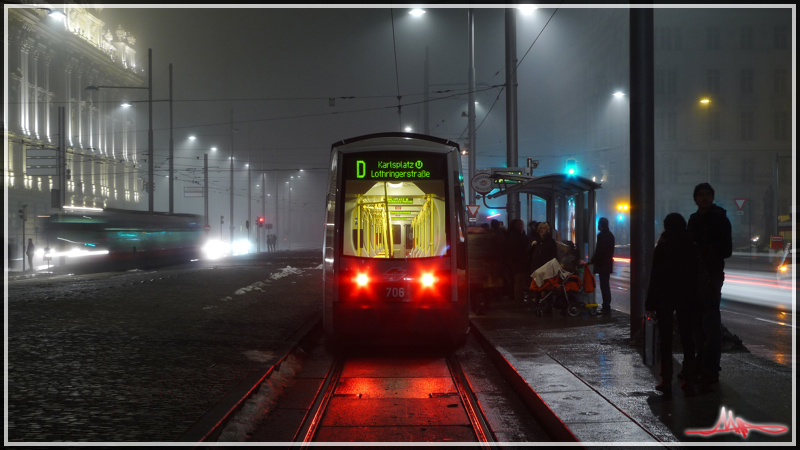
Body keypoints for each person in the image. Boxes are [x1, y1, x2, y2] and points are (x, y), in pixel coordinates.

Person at [645, 213, 701, 397]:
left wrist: (650, 303)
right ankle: (690, 380)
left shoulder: (662, 247)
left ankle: (666, 380)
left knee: (666, 339)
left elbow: (655, 277)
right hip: (687, 297)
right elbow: (696, 276)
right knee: (687, 338)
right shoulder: (692, 246)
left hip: (665, 297)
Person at [687, 182, 732, 389]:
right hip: (695, 276)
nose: (704, 198)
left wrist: (705, 249)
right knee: (698, 324)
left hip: (711, 276)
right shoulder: (694, 219)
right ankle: (700, 364)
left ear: (712, 197)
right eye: (701, 195)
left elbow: (726, 249)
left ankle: (711, 368)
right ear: (695, 198)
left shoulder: (719, 218)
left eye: (707, 195)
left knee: (711, 324)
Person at [590, 217, 615, 314]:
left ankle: (606, 307)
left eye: (598, 225)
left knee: (604, 286)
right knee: (606, 285)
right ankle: (606, 305)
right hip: (607, 264)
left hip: (602, 264)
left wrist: (593, 260)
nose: (597, 226)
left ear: (601, 225)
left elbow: (599, 251)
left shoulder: (601, 236)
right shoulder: (610, 235)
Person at [506, 219, 531, 304]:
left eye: (522, 224)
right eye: (519, 225)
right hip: (518, 263)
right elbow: (516, 251)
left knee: (519, 281)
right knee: (519, 281)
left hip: (519, 262)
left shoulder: (520, 235)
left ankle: (518, 298)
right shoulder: (516, 237)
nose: (521, 226)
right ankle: (518, 299)